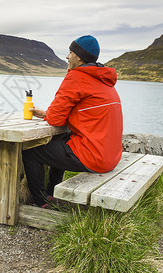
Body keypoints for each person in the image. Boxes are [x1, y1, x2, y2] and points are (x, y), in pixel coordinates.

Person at [22, 35, 123, 208]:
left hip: (95, 157)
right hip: (112, 156)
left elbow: (55, 119)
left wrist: (48, 115)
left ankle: (41, 202)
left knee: (31, 151)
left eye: (70, 52)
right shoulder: (104, 80)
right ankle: (52, 193)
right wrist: (47, 114)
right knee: (61, 141)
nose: (67, 56)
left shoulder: (77, 77)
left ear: (79, 57)